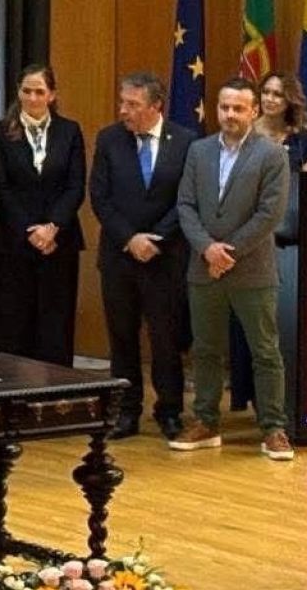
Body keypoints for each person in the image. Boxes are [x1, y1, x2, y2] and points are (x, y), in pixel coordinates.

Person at [171, 77, 295, 460]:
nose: (230, 114)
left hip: (253, 270)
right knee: (206, 349)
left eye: (239, 108)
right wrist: (208, 249)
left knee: (265, 351)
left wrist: (230, 252)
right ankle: (206, 421)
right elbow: (185, 206)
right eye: (224, 107)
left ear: (253, 111)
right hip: (204, 267)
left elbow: (269, 213)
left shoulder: (273, 154)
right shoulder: (198, 150)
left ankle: (273, 428)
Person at [88, 73, 195, 441]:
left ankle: (169, 410)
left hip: (165, 259)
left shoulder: (184, 141)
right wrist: (130, 238)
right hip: (119, 257)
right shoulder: (109, 139)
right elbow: (100, 198)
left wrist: (157, 239)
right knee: (122, 339)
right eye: (123, 102)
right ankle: (126, 411)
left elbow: (186, 199)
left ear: (155, 106)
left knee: (166, 339)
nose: (124, 111)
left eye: (133, 105)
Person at [0, 64, 86, 366]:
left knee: (55, 322)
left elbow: (75, 185)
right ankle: (13, 395)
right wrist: (32, 231)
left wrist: (53, 227)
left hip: (60, 242)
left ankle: (56, 398)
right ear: (18, 92)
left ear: (52, 95)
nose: (32, 97)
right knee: (14, 322)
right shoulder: (0, 132)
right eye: (26, 91)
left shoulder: (69, 131)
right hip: (13, 241)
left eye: (39, 91)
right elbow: (1, 188)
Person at [229, 71, 307, 414]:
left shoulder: (303, 140)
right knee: (250, 325)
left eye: (277, 94)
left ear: (289, 100)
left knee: (286, 325)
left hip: (291, 245)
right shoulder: (244, 136)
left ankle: (286, 399)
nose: (269, 99)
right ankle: (250, 397)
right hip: (250, 241)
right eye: (265, 92)